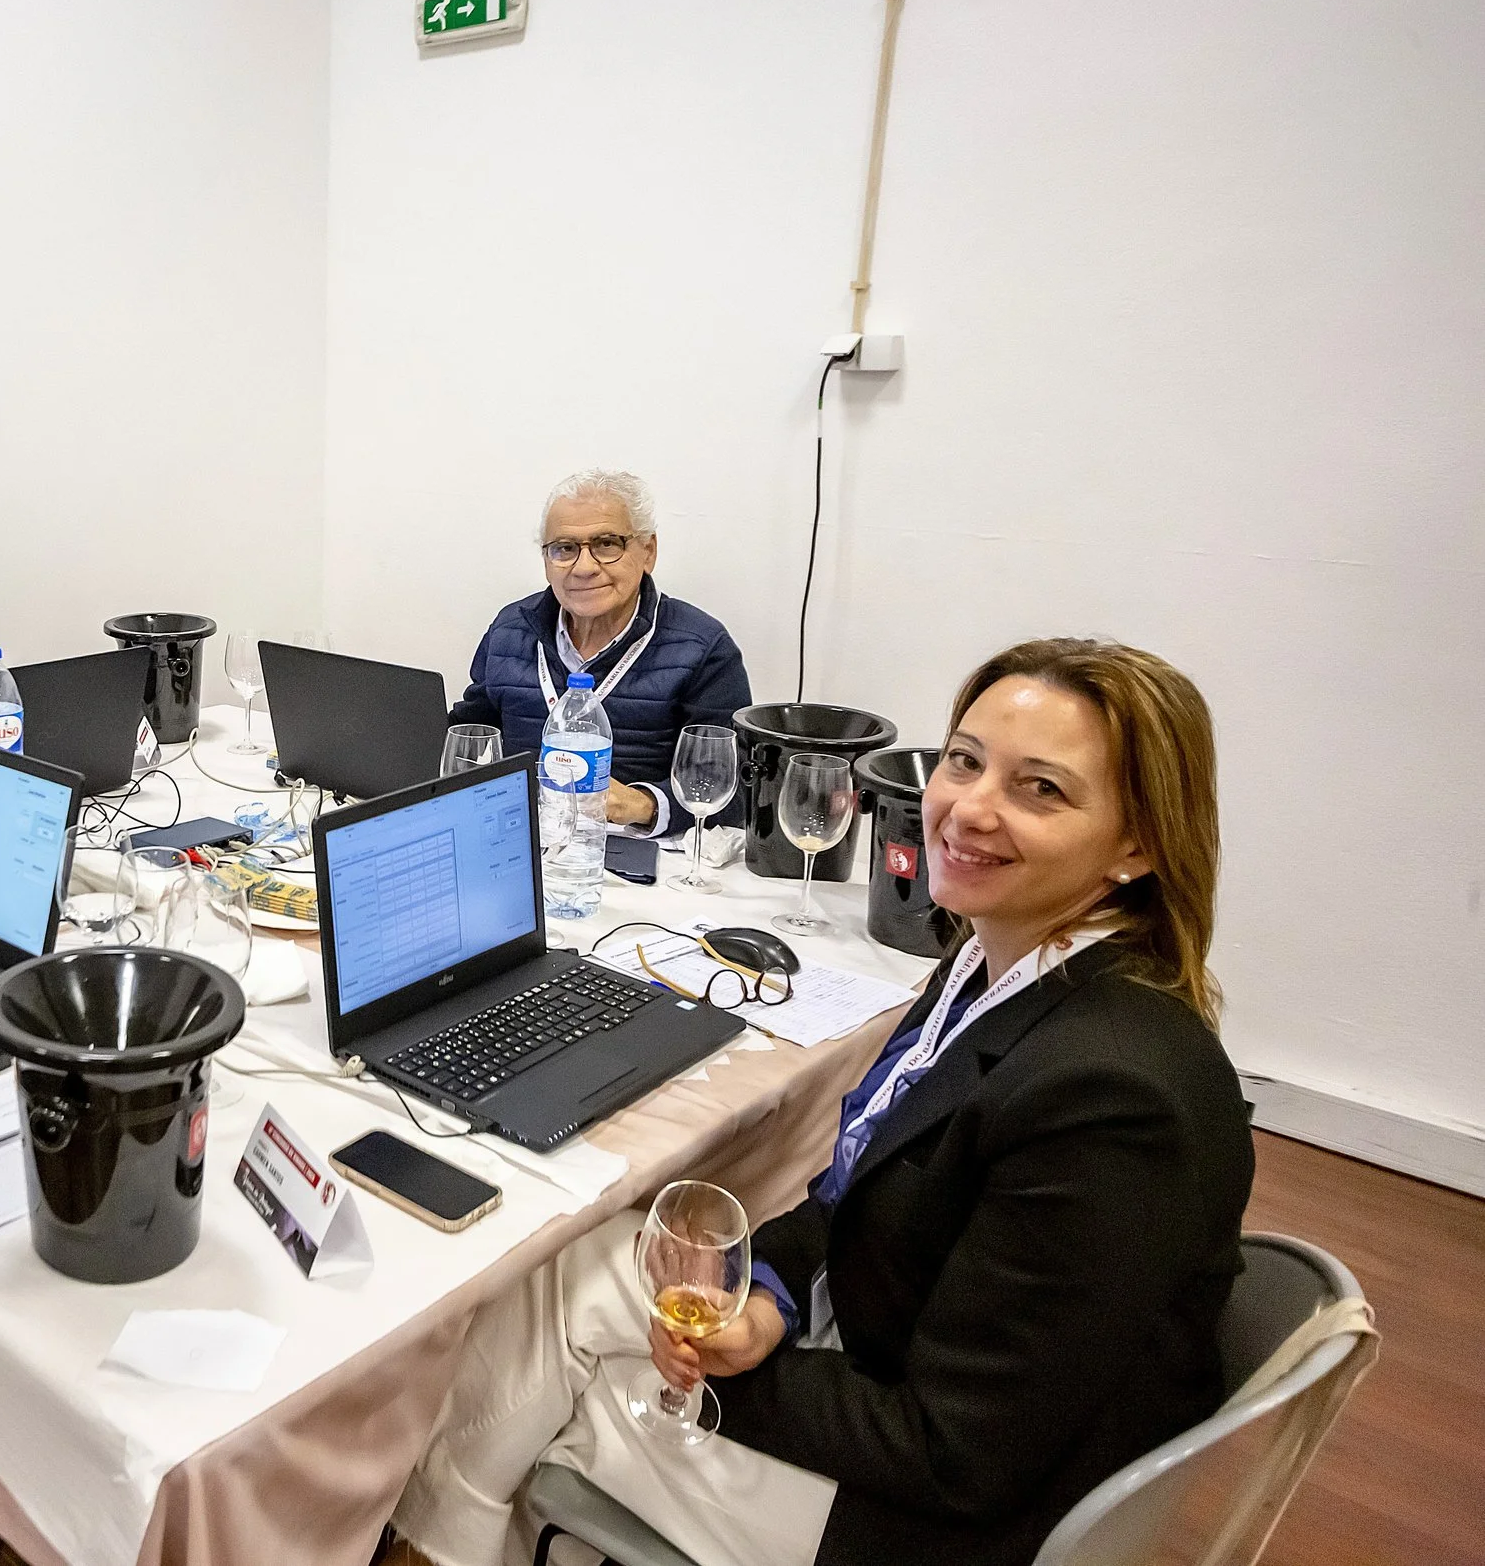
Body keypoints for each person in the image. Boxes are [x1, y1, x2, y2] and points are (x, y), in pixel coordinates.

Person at [391, 637, 1253, 1566]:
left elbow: (956, 1454)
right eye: (964, 762)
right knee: (563, 1268)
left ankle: (443, 1540)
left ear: (1137, 844)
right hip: (897, 1348)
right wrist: (765, 1297)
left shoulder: (1113, 1099)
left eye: (1040, 789)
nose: (970, 809)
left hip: (929, 1523)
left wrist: (735, 1372)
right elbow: (856, 1189)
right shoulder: (997, 962)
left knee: (537, 1400)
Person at [450, 470, 751, 833]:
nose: (585, 567)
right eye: (564, 548)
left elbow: (733, 789)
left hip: (639, 858)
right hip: (518, 838)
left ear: (648, 552)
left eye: (607, 544)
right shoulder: (510, 629)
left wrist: (642, 805)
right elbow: (469, 735)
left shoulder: (703, 647)